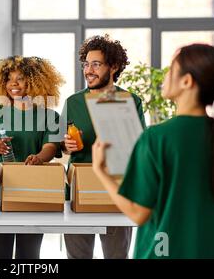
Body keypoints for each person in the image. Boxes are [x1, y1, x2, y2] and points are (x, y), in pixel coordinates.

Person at [92, 44, 214, 259]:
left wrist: (100, 171)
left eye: (171, 69)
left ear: (187, 81)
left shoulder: (157, 138)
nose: (165, 76)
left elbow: (138, 213)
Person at [62, 35, 146, 259]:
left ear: (114, 67)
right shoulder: (72, 102)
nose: (89, 70)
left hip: (116, 191)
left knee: (116, 256)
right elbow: (61, 146)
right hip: (79, 189)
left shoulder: (130, 100)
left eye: (96, 64)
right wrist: (67, 145)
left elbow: (139, 147)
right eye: (86, 64)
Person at [0, 55, 64, 259]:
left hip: (33, 193)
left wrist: (39, 158)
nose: (13, 84)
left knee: (29, 256)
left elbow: (50, 148)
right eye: (8, 79)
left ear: (34, 82)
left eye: (21, 78)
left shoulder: (50, 116)